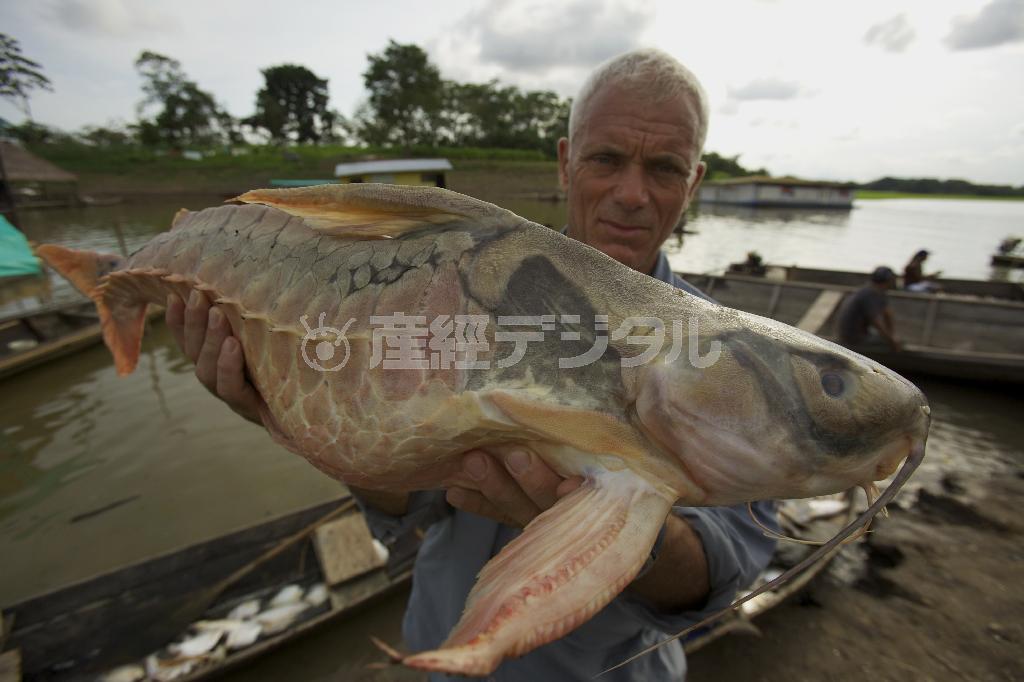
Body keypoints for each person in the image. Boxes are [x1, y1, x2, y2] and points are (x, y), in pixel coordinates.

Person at [165, 48, 777, 680]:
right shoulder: (445, 293)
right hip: (437, 654)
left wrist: (628, 536)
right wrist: (282, 410)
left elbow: (725, 568)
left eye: (664, 168)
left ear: (694, 183)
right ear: (567, 163)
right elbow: (414, 506)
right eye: (607, 159)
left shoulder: (723, 354)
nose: (631, 194)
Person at [835, 266, 902, 351]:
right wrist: (891, 339)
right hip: (853, 338)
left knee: (888, 338)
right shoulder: (870, 294)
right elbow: (876, 322)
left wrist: (892, 334)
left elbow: (887, 313)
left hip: (853, 335)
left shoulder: (874, 291)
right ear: (888, 280)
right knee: (896, 343)